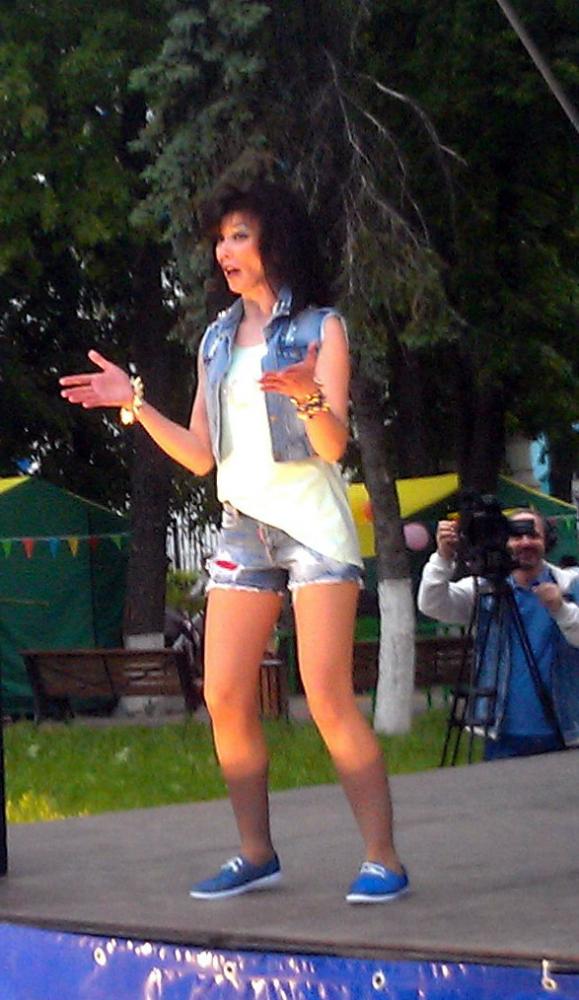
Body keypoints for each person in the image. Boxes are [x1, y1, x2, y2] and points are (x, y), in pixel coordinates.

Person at [60, 179, 408, 904]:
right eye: (220, 239)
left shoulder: (321, 328)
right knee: (222, 692)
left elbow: (332, 445)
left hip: (312, 529)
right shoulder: (216, 340)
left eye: (239, 235)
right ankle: (256, 853)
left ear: (274, 242)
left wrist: (307, 394)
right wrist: (134, 405)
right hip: (242, 528)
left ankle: (383, 858)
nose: (224, 250)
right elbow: (199, 455)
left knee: (326, 693)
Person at [418, 508, 579, 760]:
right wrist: (443, 558)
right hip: (502, 730)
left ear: (547, 540)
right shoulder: (486, 589)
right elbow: (432, 604)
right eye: (516, 536)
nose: (525, 542)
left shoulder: (570, 584)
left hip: (566, 727)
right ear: (503, 541)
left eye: (533, 535)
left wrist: (561, 609)